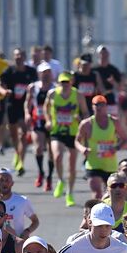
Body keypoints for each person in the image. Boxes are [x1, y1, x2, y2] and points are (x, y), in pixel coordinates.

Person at [46, 72, 88, 205]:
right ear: (59, 83)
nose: (64, 85)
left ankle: (70, 193)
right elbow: (46, 106)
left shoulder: (78, 95)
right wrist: (48, 120)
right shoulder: (52, 94)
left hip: (73, 132)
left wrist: (81, 120)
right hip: (57, 130)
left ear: (71, 82)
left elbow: (85, 112)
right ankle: (60, 180)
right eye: (62, 82)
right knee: (57, 156)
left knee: (72, 165)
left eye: (67, 82)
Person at [76, 95, 127, 202]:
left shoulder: (114, 122)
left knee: (110, 196)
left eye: (102, 105)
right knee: (97, 194)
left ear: (106, 106)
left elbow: (125, 138)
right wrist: (82, 149)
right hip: (93, 164)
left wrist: (116, 147)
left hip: (110, 165)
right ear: (92, 107)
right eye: (97, 105)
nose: (99, 107)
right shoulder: (86, 124)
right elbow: (77, 141)